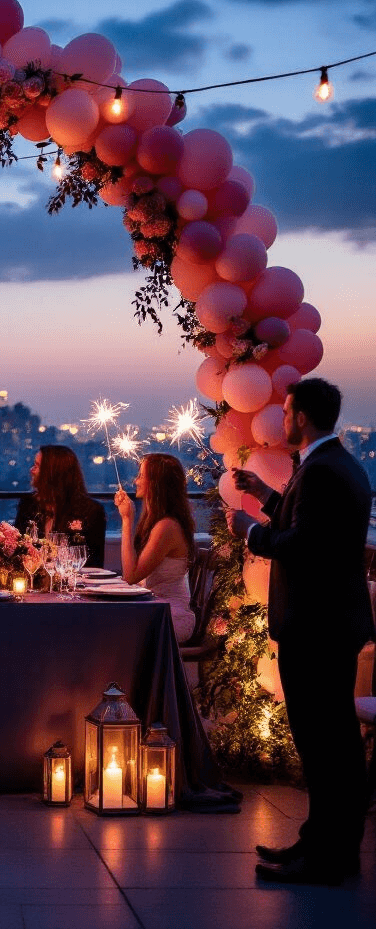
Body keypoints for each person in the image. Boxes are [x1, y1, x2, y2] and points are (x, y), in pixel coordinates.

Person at [227, 378, 373, 886]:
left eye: (287, 411)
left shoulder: (323, 472)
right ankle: (318, 843)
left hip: (318, 627)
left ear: (302, 416)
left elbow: (304, 544)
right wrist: (265, 495)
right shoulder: (334, 464)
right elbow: (310, 525)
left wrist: (251, 533)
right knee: (326, 742)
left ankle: (331, 857)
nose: (282, 420)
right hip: (328, 625)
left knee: (326, 744)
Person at [114, 453, 196, 643]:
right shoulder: (156, 521)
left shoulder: (166, 527)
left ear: (157, 483)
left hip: (170, 616)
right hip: (154, 610)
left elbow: (131, 577)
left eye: (141, 476)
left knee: (112, 630)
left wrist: (127, 520)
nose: (135, 481)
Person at [13, 445, 106, 567]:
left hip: (75, 582)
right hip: (33, 581)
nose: (32, 470)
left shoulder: (90, 511)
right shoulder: (28, 505)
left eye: (37, 466)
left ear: (52, 473)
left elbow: (93, 563)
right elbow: (17, 551)